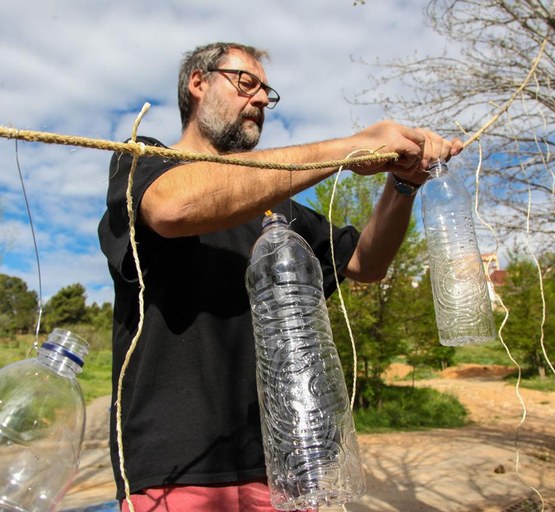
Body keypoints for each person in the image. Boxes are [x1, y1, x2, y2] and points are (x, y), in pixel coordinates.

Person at [98, 42, 462, 512]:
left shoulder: (278, 212)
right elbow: (173, 206)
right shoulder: (142, 160)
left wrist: (404, 184)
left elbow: (367, 263)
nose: (261, 100)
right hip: (175, 473)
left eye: (267, 92)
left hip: (290, 468)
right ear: (197, 82)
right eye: (246, 83)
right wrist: (350, 147)